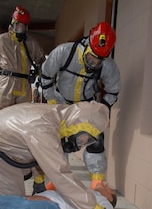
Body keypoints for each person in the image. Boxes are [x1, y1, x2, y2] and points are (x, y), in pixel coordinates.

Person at [0, 100, 110, 209]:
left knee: (18, 201)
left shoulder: (56, 117)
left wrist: (39, 183)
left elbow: (36, 156)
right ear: (80, 124)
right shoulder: (43, 129)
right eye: (86, 137)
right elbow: (60, 173)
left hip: (6, 150)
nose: (83, 143)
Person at [41, 22, 121, 191]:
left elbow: (113, 91)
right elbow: (46, 75)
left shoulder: (108, 66)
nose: (94, 63)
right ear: (87, 44)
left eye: (99, 60)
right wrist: (51, 102)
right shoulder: (65, 52)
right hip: (60, 102)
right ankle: (55, 181)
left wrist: (101, 109)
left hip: (86, 105)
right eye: (92, 57)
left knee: (96, 140)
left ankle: (97, 180)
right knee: (57, 143)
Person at [0, 5, 46, 110]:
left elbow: (41, 59)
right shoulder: (2, 39)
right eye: (18, 25)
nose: (21, 29)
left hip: (24, 83)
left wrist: (37, 73)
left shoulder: (31, 43)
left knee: (21, 114)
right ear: (13, 24)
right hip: (7, 82)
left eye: (23, 26)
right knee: (2, 113)